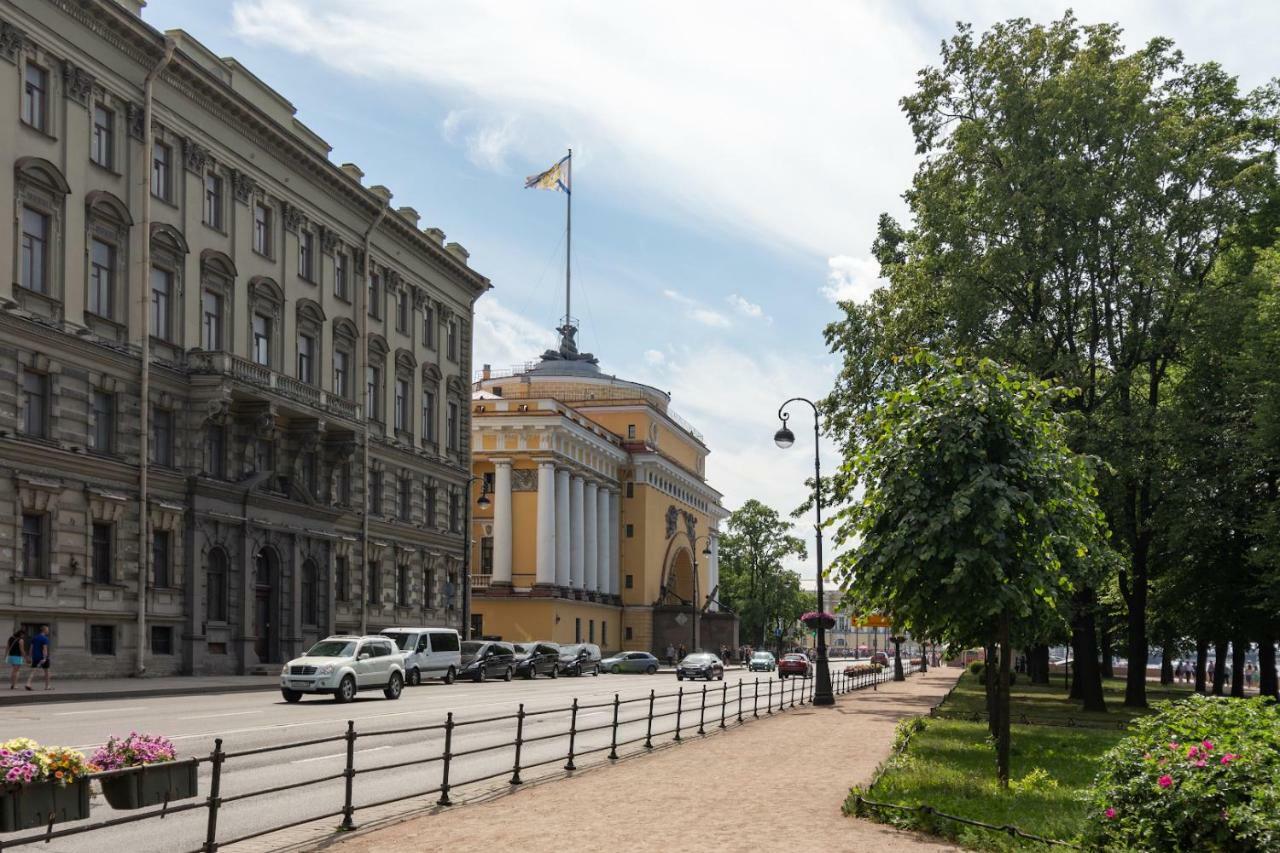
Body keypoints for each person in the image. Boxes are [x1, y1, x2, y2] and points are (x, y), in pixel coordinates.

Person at [25, 625, 51, 691]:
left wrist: (29, 657)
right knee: (47, 671)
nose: (48, 631)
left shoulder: (34, 638)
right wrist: (45, 658)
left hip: (35, 657)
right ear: (44, 630)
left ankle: (28, 683)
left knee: (33, 671)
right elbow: (45, 649)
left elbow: (31, 648)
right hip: (42, 657)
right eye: (47, 630)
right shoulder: (45, 638)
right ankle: (47, 686)